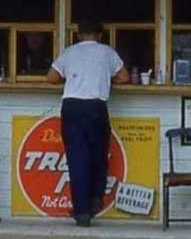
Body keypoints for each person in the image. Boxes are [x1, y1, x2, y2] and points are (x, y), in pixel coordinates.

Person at [47, 20, 130, 227]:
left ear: (78, 34)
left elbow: (51, 77)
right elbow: (125, 76)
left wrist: (72, 77)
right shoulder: (107, 52)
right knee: (98, 157)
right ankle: (95, 200)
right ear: (100, 35)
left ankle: (81, 211)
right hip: (96, 107)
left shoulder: (69, 52)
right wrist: (106, 78)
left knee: (77, 159)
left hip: (72, 107)